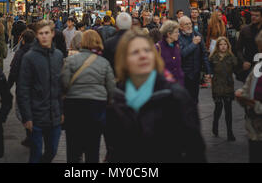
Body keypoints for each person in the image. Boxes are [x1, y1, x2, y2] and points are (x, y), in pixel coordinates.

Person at [106, 29, 206, 163]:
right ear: (124, 59)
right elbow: (115, 150)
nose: (143, 56)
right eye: (135, 52)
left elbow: (194, 149)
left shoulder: (174, 95)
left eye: (147, 50)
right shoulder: (117, 98)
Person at [61, 30, 115, 163]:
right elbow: (111, 89)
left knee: (73, 147)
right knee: (93, 148)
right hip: (96, 107)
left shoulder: (70, 60)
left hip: (74, 106)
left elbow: (64, 83)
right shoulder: (104, 63)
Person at [17, 20, 64, 163]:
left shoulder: (58, 56)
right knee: (36, 153)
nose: (44, 36)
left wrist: (62, 110)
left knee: (52, 151)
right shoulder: (29, 57)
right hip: (36, 114)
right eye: (41, 33)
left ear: (52, 34)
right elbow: (23, 88)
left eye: (47, 33)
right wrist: (27, 116)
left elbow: (61, 86)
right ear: (37, 36)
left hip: (54, 115)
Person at [235, 30, 262, 163]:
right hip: (254, 131)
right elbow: (247, 89)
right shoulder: (258, 68)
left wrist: (255, 105)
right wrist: (241, 95)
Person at [7, 29, 36, 147]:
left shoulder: (20, 53)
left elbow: (14, 71)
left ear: (23, 40)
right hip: (36, 87)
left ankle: (31, 134)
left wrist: (7, 86)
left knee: (23, 111)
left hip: (23, 87)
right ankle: (33, 134)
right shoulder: (38, 51)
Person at [209, 36, 238, 141]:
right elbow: (209, 69)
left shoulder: (231, 57)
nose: (223, 46)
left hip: (228, 86)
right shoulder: (213, 58)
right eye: (220, 44)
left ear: (228, 45)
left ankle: (229, 132)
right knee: (218, 107)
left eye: (225, 44)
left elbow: (237, 69)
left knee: (228, 110)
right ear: (217, 46)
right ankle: (215, 124)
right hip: (217, 86)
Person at [178, 16, 211, 104]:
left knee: (194, 100)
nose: (189, 26)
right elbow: (181, 54)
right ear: (180, 27)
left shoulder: (197, 35)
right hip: (184, 74)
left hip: (196, 73)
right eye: (186, 24)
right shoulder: (178, 37)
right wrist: (193, 44)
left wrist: (208, 71)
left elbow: (204, 54)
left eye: (190, 23)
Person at [236, 8, 262, 82]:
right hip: (250, 64)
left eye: (257, 15)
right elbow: (238, 49)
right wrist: (243, 61)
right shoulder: (245, 30)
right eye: (252, 15)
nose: (253, 17)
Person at [156, 20, 184, 86]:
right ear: (169, 34)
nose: (178, 34)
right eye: (176, 32)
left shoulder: (176, 46)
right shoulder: (157, 48)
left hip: (178, 85)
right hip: (164, 86)